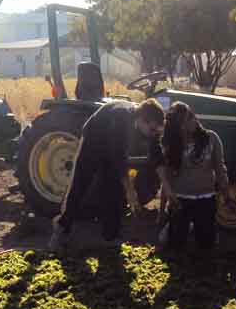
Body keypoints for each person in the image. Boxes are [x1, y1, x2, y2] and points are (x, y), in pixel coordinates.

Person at [49, 99, 166, 250]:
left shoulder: (148, 126)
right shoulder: (121, 117)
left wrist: (167, 186)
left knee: (114, 190)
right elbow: (118, 157)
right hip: (94, 139)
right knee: (80, 184)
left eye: (156, 131)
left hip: (114, 147)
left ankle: (111, 235)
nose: (153, 133)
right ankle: (61, 229)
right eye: (152, 130)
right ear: (143, 120)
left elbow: (156, 155)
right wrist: (130, 191)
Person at [153, 102, 229, 250]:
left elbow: (220, 169)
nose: (191, 121)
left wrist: (226, 194)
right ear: (177, 126)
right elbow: (166, 180)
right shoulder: (173, 145)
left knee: (207, 245)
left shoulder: (211, 139)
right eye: (185, 121)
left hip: (206, 199)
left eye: (191, 117)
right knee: (175, 245)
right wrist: (162, 211)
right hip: (179, 201)